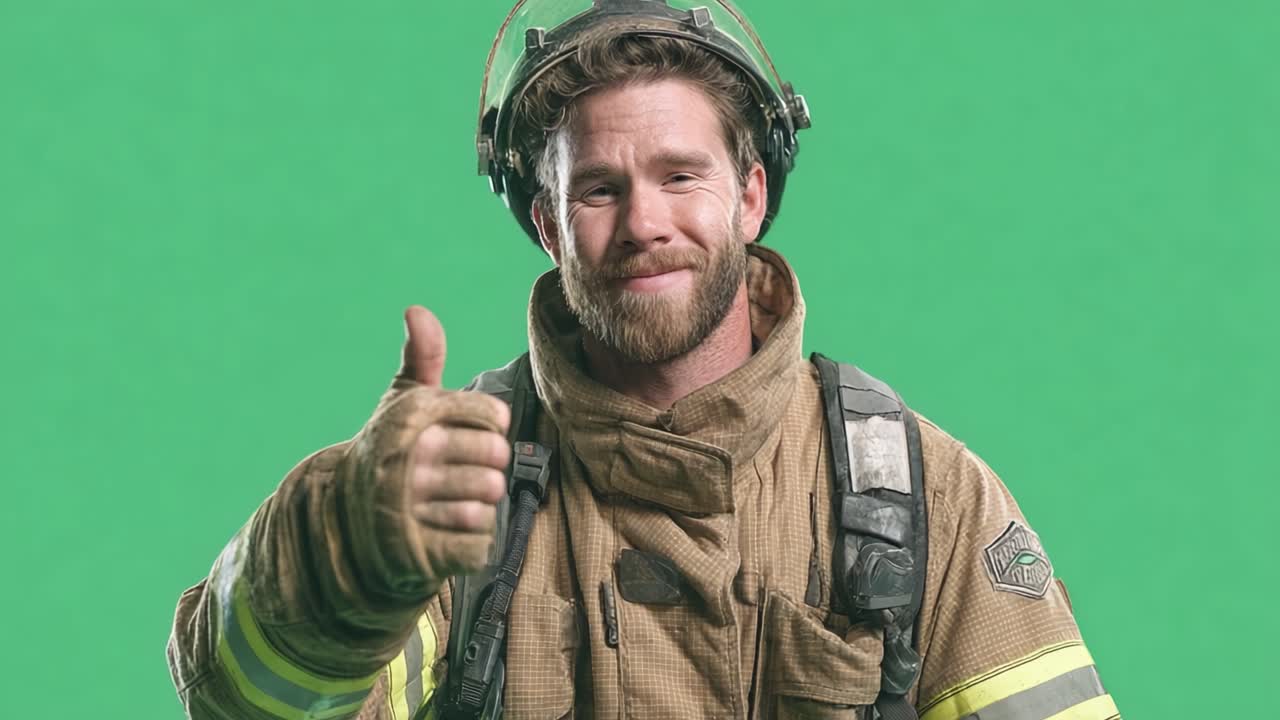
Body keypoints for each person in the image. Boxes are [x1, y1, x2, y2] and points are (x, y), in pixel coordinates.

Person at [167, 2, 1119, 719]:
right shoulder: (454, 494)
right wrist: (346, 551)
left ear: (749, 197)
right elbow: (243, 707)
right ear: (547, 224)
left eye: (679, 175)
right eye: (597, 189)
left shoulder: (921, 497)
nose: (645, 224)